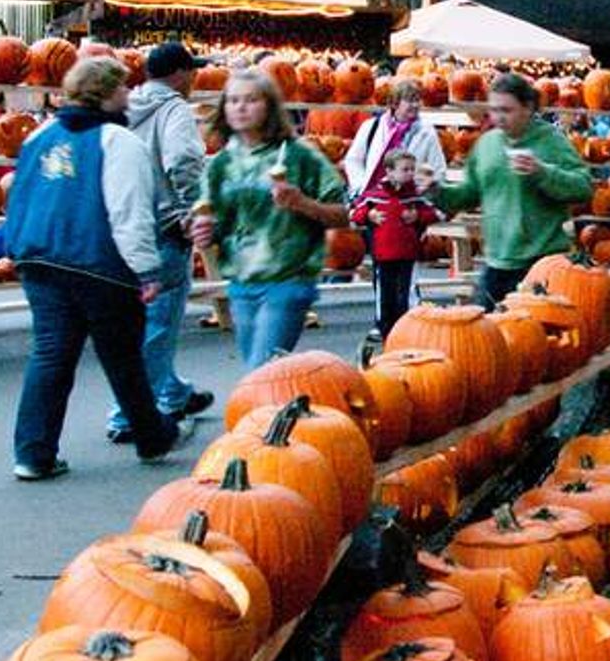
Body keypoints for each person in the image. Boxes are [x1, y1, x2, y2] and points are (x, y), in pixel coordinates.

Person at [1, 56, 186, 481]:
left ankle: (33, 452)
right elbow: (129, 212)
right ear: (105, 93)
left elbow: (20, 197)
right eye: (123, 88)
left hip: (41, 258)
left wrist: (17, 248)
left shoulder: (40, 136)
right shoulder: (117, 142)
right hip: (98, 263)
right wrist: (147, 270)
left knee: (50, 354)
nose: (130, 95)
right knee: (122, 355)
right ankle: (151, 435)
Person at [189, 69, 349, 368]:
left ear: (270, 107)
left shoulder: (300, 156)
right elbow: (214, 223)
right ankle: (291, 411)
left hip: (289, 279)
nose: (240, 107)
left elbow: (342, 216)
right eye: (233, 100)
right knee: (262, 373)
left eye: (251, 100)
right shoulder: (221, 164)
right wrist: (204, 232)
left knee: (261, 370)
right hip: (241, 280)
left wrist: (302, 203)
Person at [103, 42, 214, 444]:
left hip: (124, 225)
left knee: (138, 321)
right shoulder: (174, 110)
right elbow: (183, 160)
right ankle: (129, 415)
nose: (196, 79)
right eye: (193, 72)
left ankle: (173, 391)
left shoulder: (123, 107)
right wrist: (192, 209)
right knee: (160, 320)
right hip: (164, 225)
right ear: (181, 73)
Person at [418, 71, 592, 308]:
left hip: (542, 262)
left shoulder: (550, 141)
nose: (499, 118)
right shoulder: (487, 144)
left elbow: (583, 187)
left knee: (533, 338)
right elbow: (468, 194)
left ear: (528, 107)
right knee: (481, 338)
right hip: (496, 262)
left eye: (506, 110)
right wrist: (435, 191)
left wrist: (542, 171)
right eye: (494, 110)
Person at [351, 149, 442, 340]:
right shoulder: (374, 195)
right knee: (385, 292)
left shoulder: (415, 197)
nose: (409, 173)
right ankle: (384, 327)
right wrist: (369, 215)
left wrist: (418, 216)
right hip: (383, 253)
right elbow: (354, 213)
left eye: (412, 169)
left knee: (407, 292)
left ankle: (409, 326)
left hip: (408, 252)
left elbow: (436, 213)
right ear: (389, 171)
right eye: (405, 169)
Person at [343, 79, 446, 200]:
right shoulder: (372, 126)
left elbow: (438, 169)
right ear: (395, 103)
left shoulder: (427, 132)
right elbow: (353, 159)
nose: (416, 105)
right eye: (410, 100)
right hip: (371, 198)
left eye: (418, 100)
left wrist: (423, 191)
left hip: (407, 201)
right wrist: (359, 185)